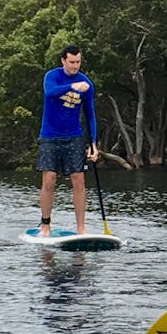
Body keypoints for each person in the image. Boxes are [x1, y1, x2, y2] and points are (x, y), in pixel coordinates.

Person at [36, 44, 99, 236]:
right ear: (63, 60)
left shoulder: (86, 83)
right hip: (50, 135)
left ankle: (81, 228)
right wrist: (71, 86)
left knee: (78, 180)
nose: (75, 66)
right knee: (49, 180)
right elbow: (50, 93)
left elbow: (90, 115)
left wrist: (93, 143)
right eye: (71, 62)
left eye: (78, 62)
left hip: (74, 136)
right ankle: (45, 225)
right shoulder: (52, 76)